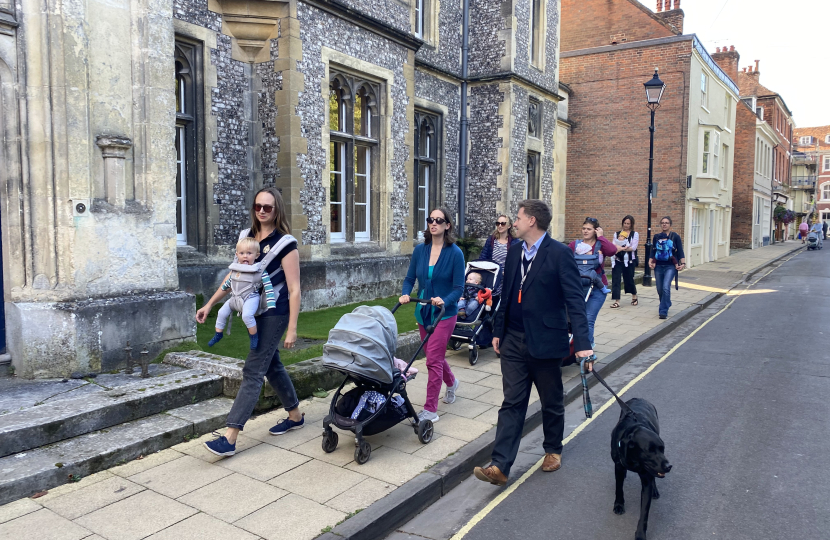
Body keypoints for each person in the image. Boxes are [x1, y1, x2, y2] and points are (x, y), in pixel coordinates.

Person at [473, 200, 593, 486]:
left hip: (546, 340)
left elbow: (575, 301)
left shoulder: (560, 254)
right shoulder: (514, 252)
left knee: (551, 401)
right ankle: (500, 465)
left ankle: (553, 448)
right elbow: (507, 294)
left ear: (532, 221)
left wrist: (584, 344)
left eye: (518, 218)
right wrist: (498, 331)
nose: (514, 222)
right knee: (512, 401)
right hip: (514, 339)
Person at [196, 187, 304, 457]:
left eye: (268, 207)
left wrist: (292, 329)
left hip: (275, 312)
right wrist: (210, 304)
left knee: (253, 369)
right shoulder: (246, 238)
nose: (262, 211)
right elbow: (234, 278)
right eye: (258, 206)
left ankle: (230, 436)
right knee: (272, 364)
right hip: (253, 311)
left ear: (277, 209)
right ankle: (295, 415)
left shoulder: (286, 243)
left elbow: (294, 290)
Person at [400, 207, 465, 423]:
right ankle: (452, 382)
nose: (434, 223)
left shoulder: (455, 253)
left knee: (433, 361)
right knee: (433, 357)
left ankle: (430, 409)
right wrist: (405, 294)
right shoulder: (420, 250)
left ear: (447, 225)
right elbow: (410, 278)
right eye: (431, 219)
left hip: (444, 314)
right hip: (423, 312)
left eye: (439, 220)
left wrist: (444, 300)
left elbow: (458, 288)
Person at [208, 237, 272, 350]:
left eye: (249, 253)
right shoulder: (235, 269)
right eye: (242, 253)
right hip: (235, 298)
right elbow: (230, 280)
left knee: (247, 316)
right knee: (221, 312)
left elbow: (268, 287)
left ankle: (254, 337)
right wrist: (224, 287)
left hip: (250, 297)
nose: (245, 256)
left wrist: (271, 303)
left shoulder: (259, 270)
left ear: (257, 255)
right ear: (237, 254)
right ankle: (218, 334)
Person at [568, 218, 617, 347]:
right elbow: (564, 258)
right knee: (577, 320)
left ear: (595, 230)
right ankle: (587, 342)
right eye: (584, 228)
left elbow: (612, 251)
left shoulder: (600, 245)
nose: (585, 231)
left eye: (589, 229)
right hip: (578, 288)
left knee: (588, 319)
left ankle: (586, 352)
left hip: (597, 288)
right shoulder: (575, 245)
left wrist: (601, 237)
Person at [648, 216, 685, 320]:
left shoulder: (675, 237)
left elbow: (680, 251)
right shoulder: (656, 236)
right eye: (663, 223)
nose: (664, 224)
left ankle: (663, 311)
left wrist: (683, 263)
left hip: (670, 266)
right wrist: (650, 261)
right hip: (658, 265)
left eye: (667, 223)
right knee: (659, 289)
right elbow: (653, 250)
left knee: (665, 287)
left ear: (670, 225)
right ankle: (667, 302)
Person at [476, 215, 522, 296]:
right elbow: (483, 257)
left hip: (506, 277)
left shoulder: (515, 242)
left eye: (503, 223)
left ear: (509, 226)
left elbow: (517, 262)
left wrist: (506, 272)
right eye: (498, 223)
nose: (500, 226)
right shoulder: (491, 240)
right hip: (491, 276)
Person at [610, 215, 639, 309]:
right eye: (625, 223)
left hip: (629, 260)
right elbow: (613, 246)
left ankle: (634, 295)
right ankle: (616, 300)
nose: (626, 225)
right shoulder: (617, 234)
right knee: (616, 279)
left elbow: (633, 248)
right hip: (617, 259)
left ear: (631, 224)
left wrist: (621, 248)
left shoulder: (635, 234)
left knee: (629, 279)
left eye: (628, 224)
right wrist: (619, 249)